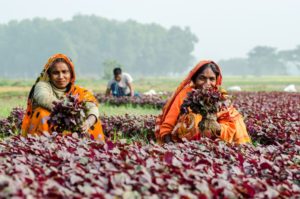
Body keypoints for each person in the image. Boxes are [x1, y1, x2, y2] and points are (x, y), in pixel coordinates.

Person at [155, 60, 251, 144]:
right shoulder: (184, 96)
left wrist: (217, 127)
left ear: (216, 80)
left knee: (236, 119)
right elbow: (167, 127)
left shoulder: (220, 98)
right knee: (194, 119)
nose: (207, 83)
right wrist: (171, 147)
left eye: (212, 79)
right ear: (194, 79)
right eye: (202, 78)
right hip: (185, 146)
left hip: (218, 146)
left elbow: (229, 127)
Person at [21, 53, 105, 141]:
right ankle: (42, 145)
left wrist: (88, 122)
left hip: (72, 128)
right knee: (42, 113)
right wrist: (68, 111)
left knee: (94, 121)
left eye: (64, 72)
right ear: (49, 75)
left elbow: (91, 106)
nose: (61, 77)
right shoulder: (42, 86)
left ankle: (92, 147)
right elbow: (42, 97)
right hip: (49, 129)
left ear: (71, 74)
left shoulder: (79, 92)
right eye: (56, 73)